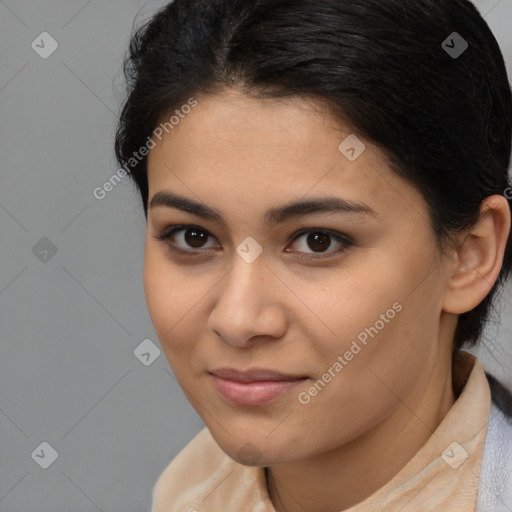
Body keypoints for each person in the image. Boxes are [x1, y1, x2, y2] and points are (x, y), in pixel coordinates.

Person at [114, 0, 512, 510]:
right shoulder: (184, 493)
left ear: (469, 255)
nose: (238, 320)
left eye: (317, 241)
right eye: (193, 237)